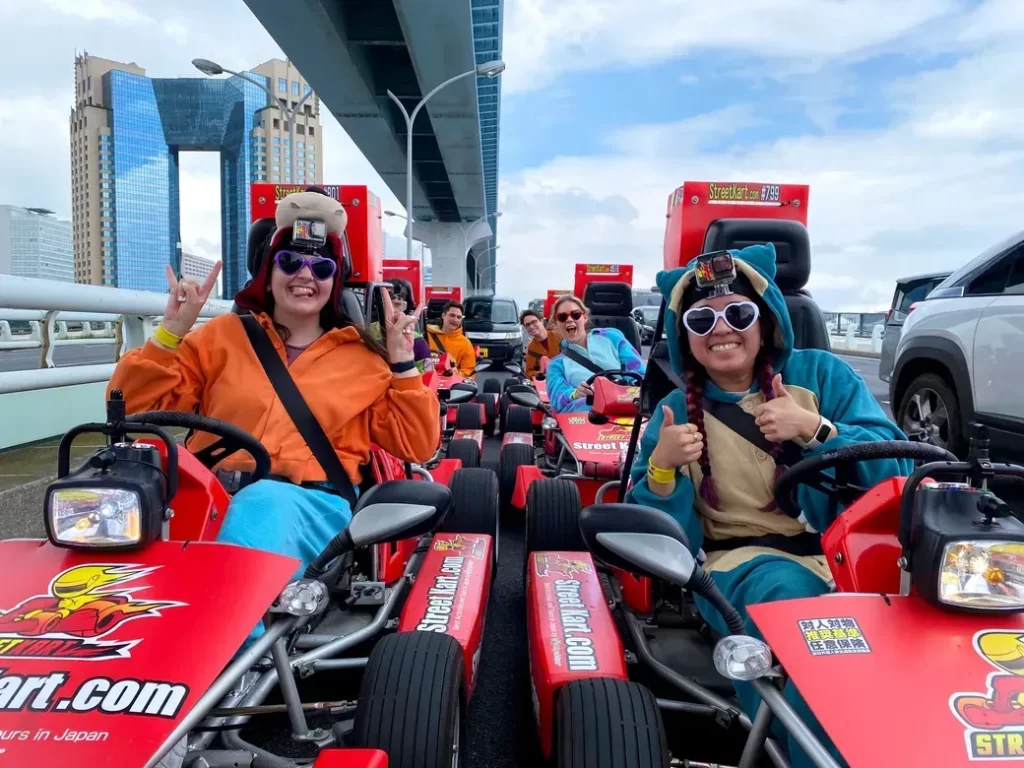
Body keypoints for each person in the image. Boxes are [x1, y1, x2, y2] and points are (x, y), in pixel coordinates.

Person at [106, 191, 439, 644]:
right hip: (201, 495)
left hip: (307, 501)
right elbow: (134, 408)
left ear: (335, 280)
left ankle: (222, 657)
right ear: (269, 270)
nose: (305, 275)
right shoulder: (220, 336)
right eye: (290, 262)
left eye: (322, 268)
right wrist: (170, 334)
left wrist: (402, 365)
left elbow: (418, 445)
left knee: (261, 506)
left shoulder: (366, 358)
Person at [627, 242, 912, 768]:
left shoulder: (822, 376)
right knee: (808, 621)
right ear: (685, 337)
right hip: (746, 562)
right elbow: (662, 539)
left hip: (860, 553)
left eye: (738, 313)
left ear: (766, 322)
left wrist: (818, 431)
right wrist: (663, 469)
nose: (721, 329)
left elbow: (898, 472)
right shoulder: (673, 412)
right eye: (701, 319)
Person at [545, 294, 646, 413]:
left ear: (585, 317)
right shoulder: (556, 365)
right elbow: (557, 401)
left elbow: (640, 373)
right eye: (562, 317)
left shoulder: (612, 337)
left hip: (630, 408)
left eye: (575, 314)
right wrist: (577, 394)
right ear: (556, 323)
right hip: (591, 416)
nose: (569, 320)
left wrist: (626, 391)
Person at [369, 279, 432, 372]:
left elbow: (427, 378)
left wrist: (405, 362)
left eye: (398, 303)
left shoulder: (417, 341)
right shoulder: (365, 333)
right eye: (388, 301)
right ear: (377, 304)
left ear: (405, 307)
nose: (393, 308)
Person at [425, 300, 476, 376]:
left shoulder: (466, 344)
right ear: (443, 316)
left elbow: (469, 372)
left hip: (451, 382)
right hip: (426, 380)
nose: (455, 320)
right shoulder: (426, 335)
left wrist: (455, 373)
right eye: (452, 315)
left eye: (459, 317)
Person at [521, 308, 561, 380]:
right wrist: (538, 374)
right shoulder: (531, 347)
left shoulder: (559, 336)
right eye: (527, 325)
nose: (531, 326)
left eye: (534, 322)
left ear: (541, 321)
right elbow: (528, 372)